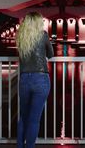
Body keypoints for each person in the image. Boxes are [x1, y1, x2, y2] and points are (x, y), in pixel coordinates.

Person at [16, 12, 54, 148]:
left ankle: (20, 145)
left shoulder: (21, 35)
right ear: (37, 22)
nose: (43, 23)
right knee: (34, 120)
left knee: (23, 117)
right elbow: (51, 54)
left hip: (25, 78)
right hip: (41, 78)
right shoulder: (43, 34)